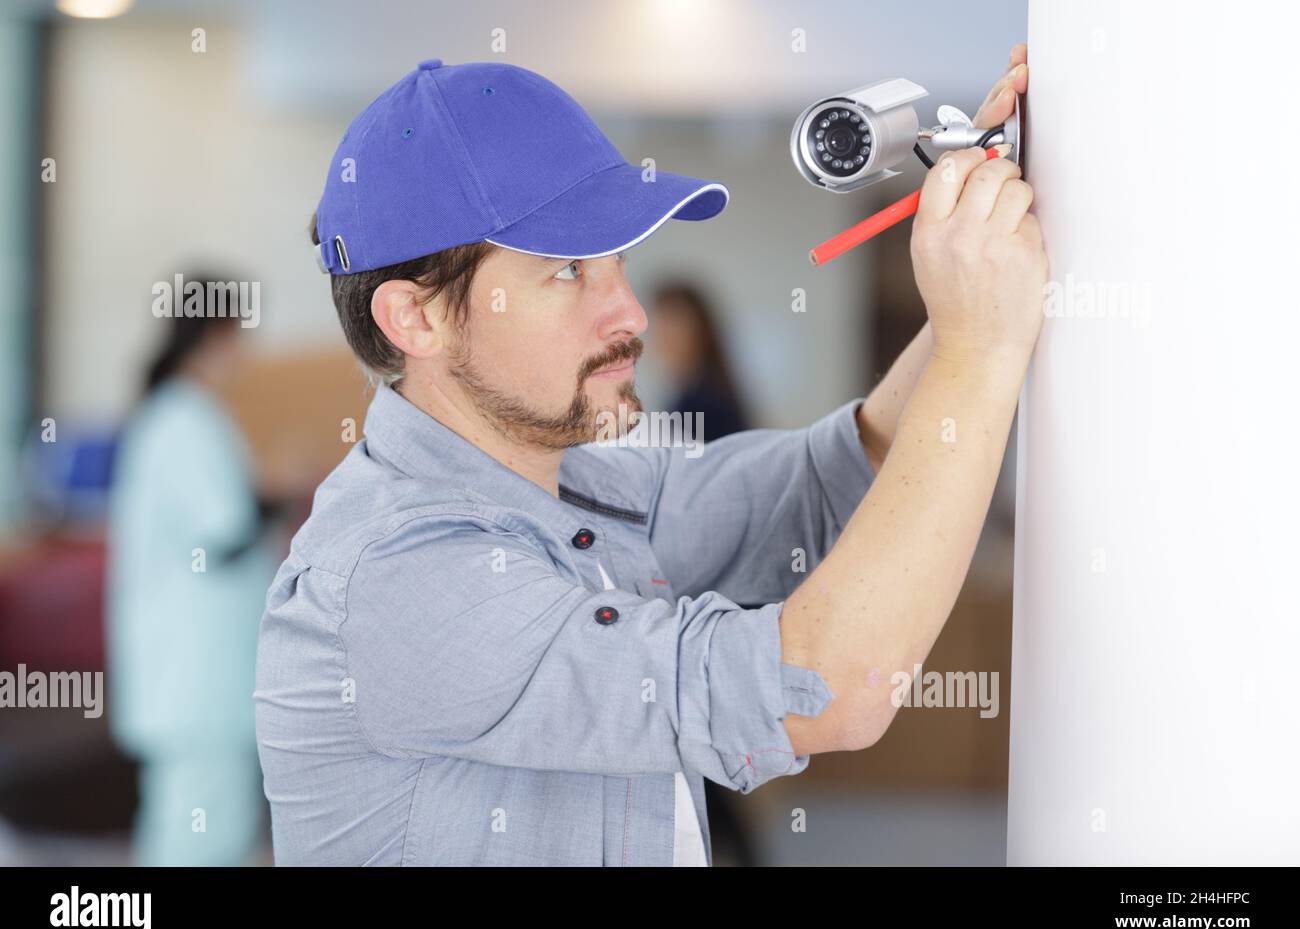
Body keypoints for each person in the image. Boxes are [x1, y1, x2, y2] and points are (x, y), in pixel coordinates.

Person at [256, 47, 1043, 866]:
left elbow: (828, 483)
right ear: (415, 320)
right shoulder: (402, 578)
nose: (628, 312)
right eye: (567, 270)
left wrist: (982, 261)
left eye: (618, 260)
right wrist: (979, 350)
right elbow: (820, 690)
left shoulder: (585, 488)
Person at [106, 278, 277, 865]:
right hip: (196, 677)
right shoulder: (184, 419)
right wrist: (286, 490)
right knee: (199, 831)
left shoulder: (177, 415)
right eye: (241, 336)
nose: (247, 353)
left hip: (196, 678)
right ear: (215, 334)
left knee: (202, 825)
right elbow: (225, 530)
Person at [651, 282, 749, 441]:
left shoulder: (706, 403)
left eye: (672, 323)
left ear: (699, 330)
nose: (662, 335)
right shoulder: (687, 394)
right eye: (659, 323)